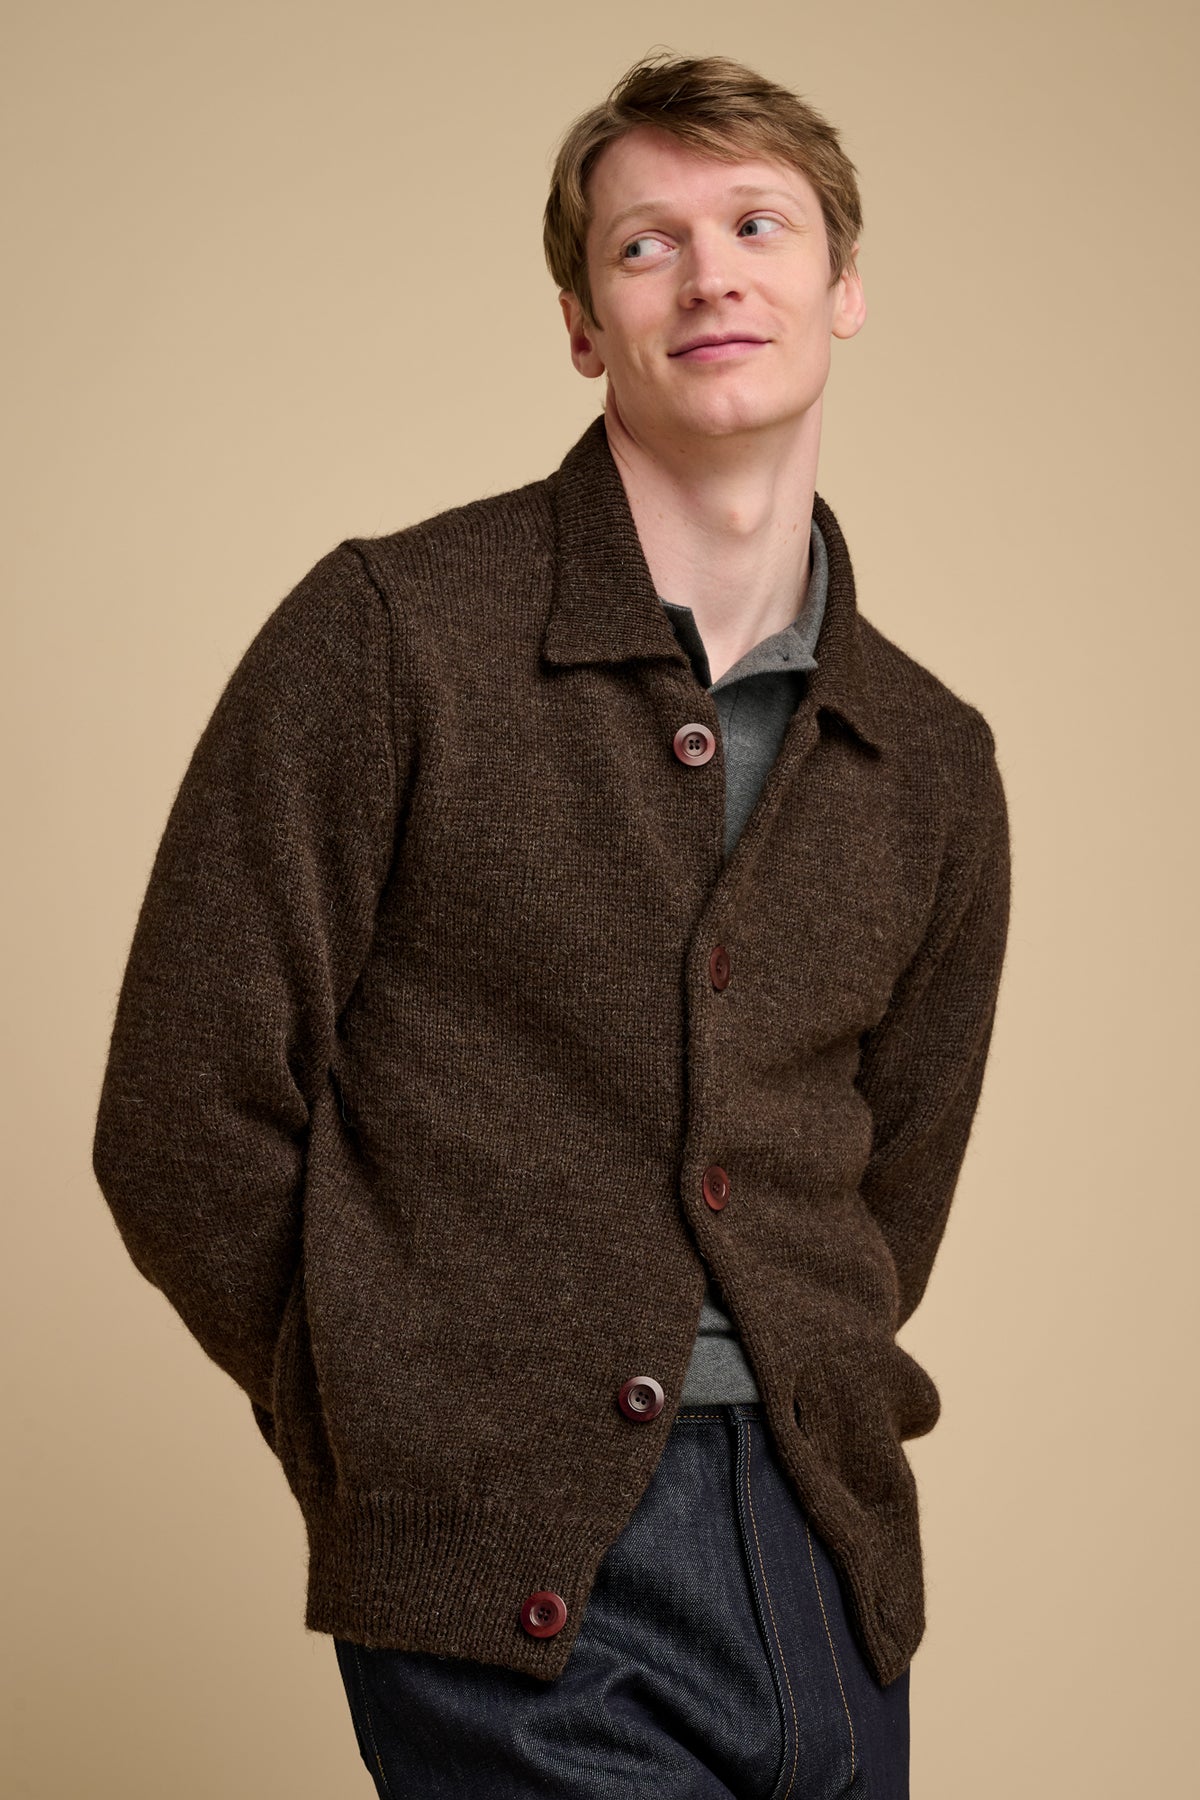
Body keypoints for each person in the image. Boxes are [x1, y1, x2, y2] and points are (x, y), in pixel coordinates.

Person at [92, 49, 1012, 1800]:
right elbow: (180, 1114)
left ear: (843, 283)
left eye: (760, 224)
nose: (714, 271)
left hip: (829, 1568)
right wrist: (397, 1413)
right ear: (585, 323)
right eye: (646, 244)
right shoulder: (391, 636)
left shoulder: (932, 757)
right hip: (517, 1569)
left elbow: (895, 1183)